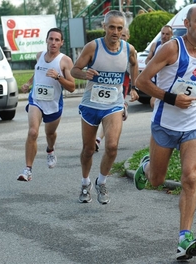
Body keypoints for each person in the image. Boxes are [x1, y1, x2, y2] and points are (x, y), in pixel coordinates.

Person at [134, 6, 196, 261]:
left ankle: (184, 238)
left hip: (195, 125)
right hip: (165, 124)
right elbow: (141, 82)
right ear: (187, 23)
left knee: (190, 177)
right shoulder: (172, 49)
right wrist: (171, 98)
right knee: (156, 180)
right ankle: (146, 167)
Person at [71, 10, 139, 204]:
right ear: (104, 27)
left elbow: (134, 64)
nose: (115, 32)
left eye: (119, 28)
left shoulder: (128, 49)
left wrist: (134, 86)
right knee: (88, 149)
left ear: (123, 29)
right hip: (91, 104)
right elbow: (74, 70)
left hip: (114, 104)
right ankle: (85, 183)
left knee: (111, 146)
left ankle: (101, 182)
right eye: (112, 27)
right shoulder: (93, 47)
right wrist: (85, 74)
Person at [17, 28, 75, 182]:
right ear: (47, 40)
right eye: (51, 39)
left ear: (61, 43)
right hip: (36, 99)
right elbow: (38, 72)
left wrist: (58, 77)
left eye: (57, 40)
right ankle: (27, 170)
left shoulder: (65, 61)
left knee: (50, 133)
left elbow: (72, 86)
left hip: (54, 103)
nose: (53, 42)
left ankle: (50, 150)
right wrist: (29, 83)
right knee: (33, 132)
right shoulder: (40, 56)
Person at [95, 27, 138, 152]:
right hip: (103, 85)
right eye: (121, 35)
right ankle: (95, 137)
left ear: (128, 37)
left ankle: (98, 139)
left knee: (111, 111)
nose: (121, 37)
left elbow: (134, 70)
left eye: (124, 35)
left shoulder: (130, 50)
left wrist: (133, 88)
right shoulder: (106, 47)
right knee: (100, 110)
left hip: (120, 85)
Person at [145, 25, 174, 108]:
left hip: (168, 80)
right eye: (163, 33)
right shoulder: (155, 45)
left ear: (171, 35)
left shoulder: (173, 47)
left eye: (167, 34)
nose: (164, 36)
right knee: (154, 103)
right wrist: (154, 64)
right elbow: (147, 60)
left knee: (161, 104)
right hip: (156, 80)